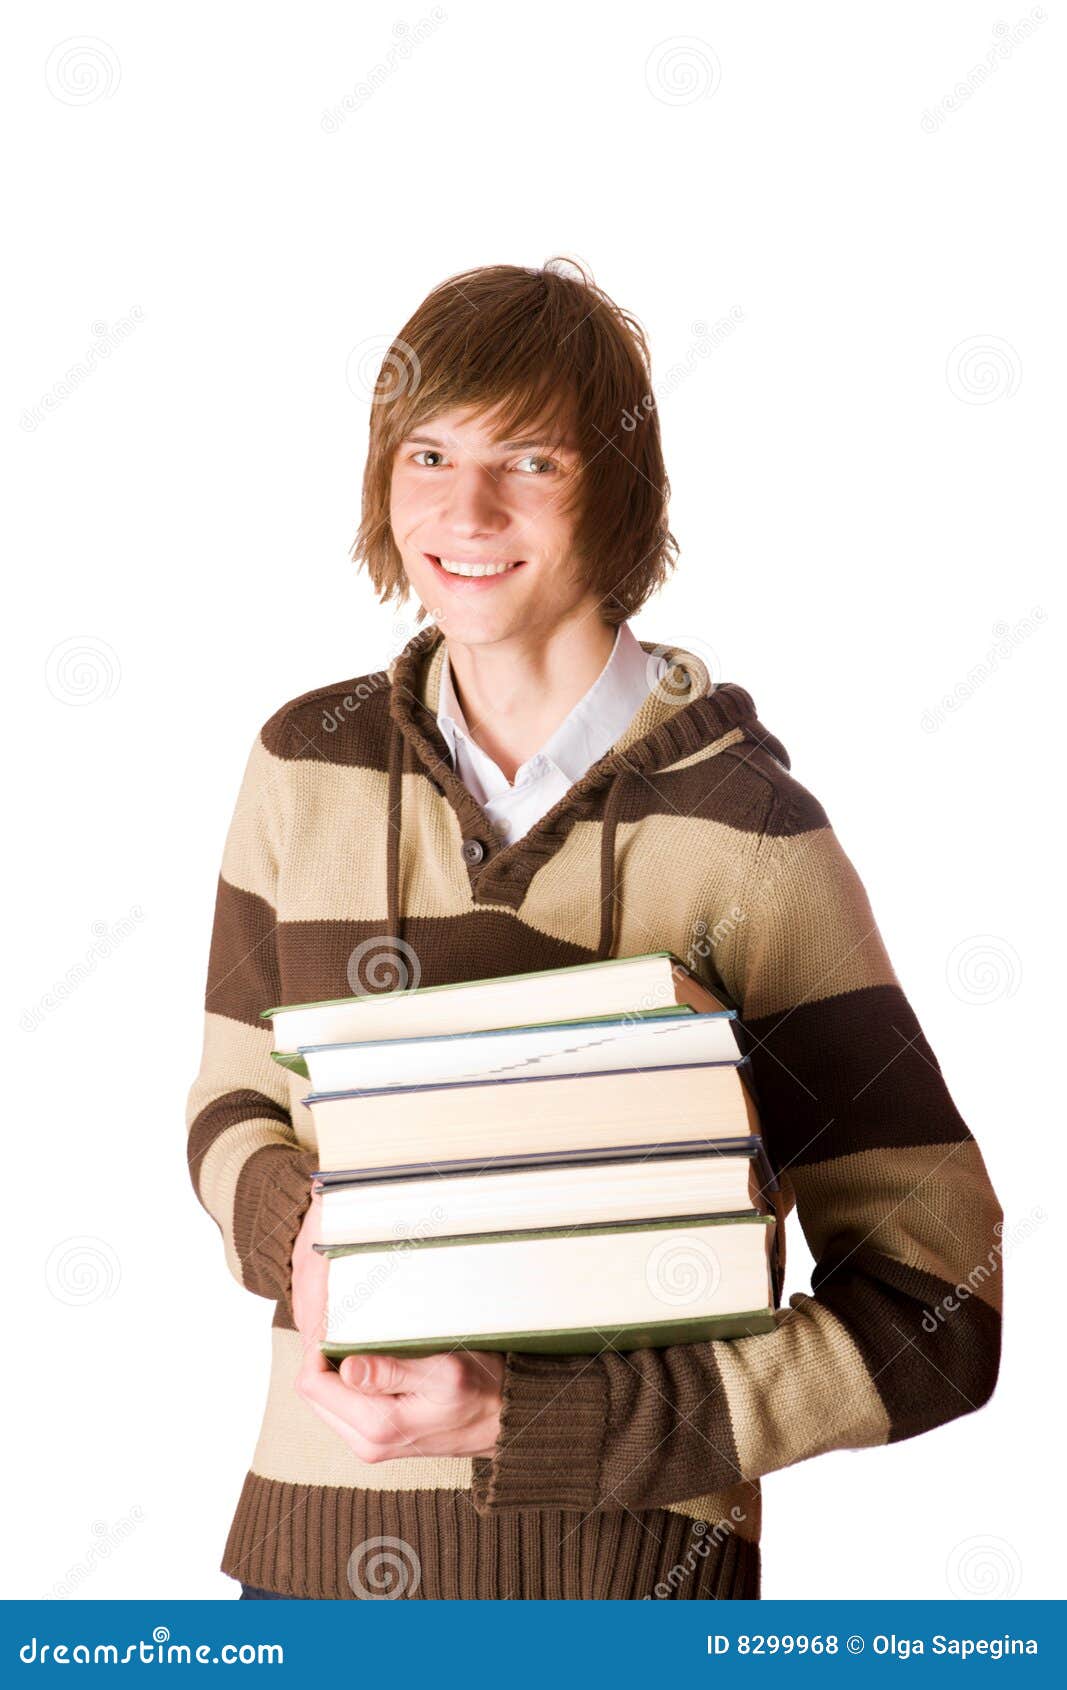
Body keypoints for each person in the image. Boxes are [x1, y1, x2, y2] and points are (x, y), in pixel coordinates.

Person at [185, 260, 1003, 1602]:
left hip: (630, 1604)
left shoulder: (751, 835)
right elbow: (229, 1109)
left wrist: (536, 1418)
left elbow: (940, 1308)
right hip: (309, 1578)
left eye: (532, 460)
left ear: (617, 493)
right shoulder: (302, 765)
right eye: (429, 454)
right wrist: (301, 1232)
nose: (466, 509)